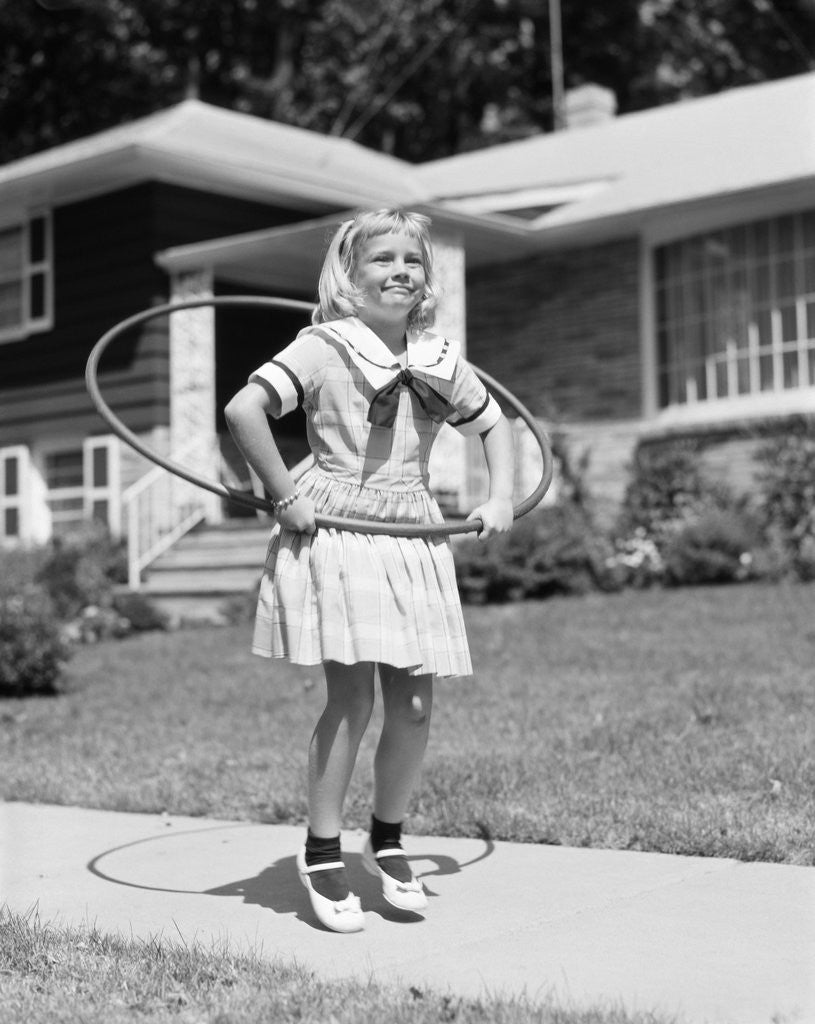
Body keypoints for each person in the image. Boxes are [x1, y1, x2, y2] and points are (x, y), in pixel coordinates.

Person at [224, 208, 514, 933]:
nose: (399, 271)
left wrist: (500, 493)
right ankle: (322, 849)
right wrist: (282, 494)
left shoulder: (438, 359)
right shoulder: (323, 347)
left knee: (414, 706)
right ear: (348, 278)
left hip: (410, 528)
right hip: (339, 524)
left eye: (411, 261)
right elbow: (243, 409)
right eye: (381, 259)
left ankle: (387, 837)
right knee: (351, 700)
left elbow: (494, 424)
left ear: (425, 280)